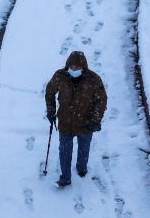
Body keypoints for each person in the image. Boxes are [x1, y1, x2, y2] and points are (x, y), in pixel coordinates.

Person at [45, 51, 107, 188]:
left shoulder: (93, 79)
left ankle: (82, 168)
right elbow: (50, 92)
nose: (74, 69)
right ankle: (65, 178)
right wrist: (51, 111)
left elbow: (101, 100)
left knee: (84, 148)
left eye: (78, 67)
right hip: (65, 121)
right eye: (72, 66)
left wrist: (95, 120)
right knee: (64, 151)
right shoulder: (60, 76)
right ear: (67, 65)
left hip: (86, 123)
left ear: (83, 67)